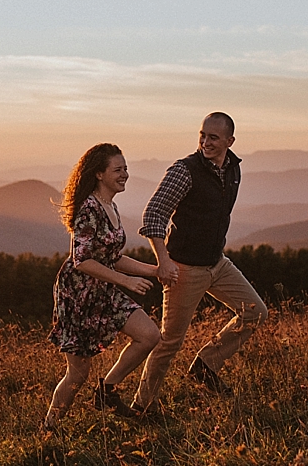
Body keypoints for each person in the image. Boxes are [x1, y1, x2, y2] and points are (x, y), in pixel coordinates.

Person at [131, 112, 268, 414]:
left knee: (255, 312)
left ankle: (206, 365)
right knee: (169, 342)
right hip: (185, 269)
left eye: (213, 137)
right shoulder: (185, 171)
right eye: (202, 135)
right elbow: (153, 214)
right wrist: (163, 260)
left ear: (230, 141)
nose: (206, 142)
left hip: (217, 264)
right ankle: (143, 406)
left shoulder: (233, 169)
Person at [44, 143, 162, 431]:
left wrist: (155, 270)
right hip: (79, 295)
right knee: (77, 374)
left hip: (104, 289)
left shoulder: (111, 206)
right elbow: (82, 260)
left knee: (149, 336)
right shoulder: (88, 210)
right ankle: (48, 432)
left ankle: (106, 391)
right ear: (99, 174)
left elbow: (112, 257)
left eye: (126, 169)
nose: (125, 174)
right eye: (118, 170)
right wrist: (127, 281)